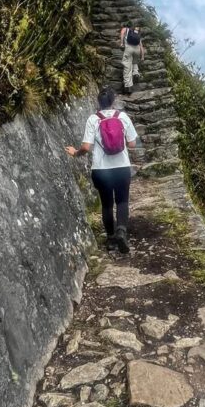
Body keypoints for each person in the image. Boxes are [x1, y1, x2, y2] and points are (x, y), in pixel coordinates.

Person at [65, 86, 138, 253]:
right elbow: (133, 144)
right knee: (122, 201)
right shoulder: (123, 117)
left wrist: (75, 153)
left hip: (101, 170)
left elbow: (86, 146)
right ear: (113, 102)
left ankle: (111, 238)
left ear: (98, 102)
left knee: (106, 204)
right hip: (121, 167)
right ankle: (121, 231)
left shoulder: (93, 119)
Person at [120, 23, 144, 95]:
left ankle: (128, 86)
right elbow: (141, 46)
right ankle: (136, 72)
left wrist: (121, 43)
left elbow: (122, 34)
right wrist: (142, 56)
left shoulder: (125, 29)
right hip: (137, 50)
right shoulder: (137, 33)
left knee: (127, 67)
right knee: (134, 62)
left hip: (129, 48)